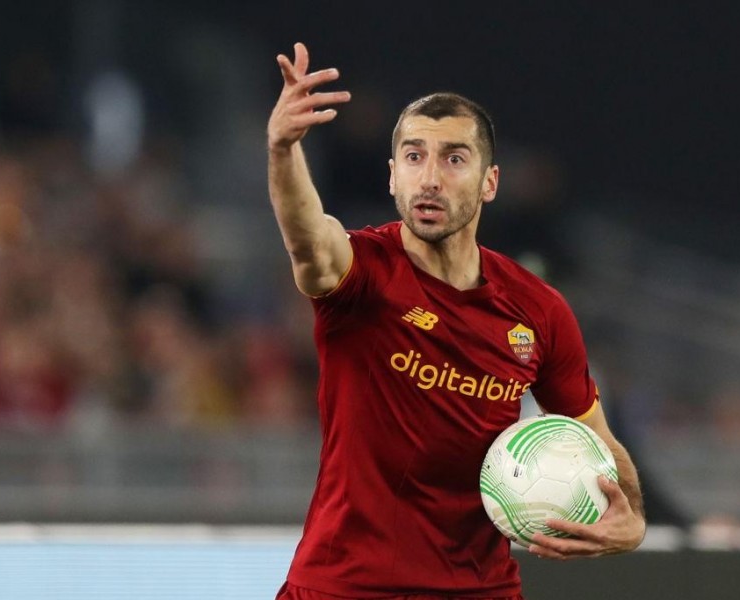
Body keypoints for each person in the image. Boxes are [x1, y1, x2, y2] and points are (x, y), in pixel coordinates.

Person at [267, 42, 646, 600]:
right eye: (414, 157)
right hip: (343, 587)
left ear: (489, 182)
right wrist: (282, 150)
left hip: (478, 590)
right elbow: (309, 240)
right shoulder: (362, 274)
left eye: (453, 158)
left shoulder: (538, 310)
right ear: (392, 177)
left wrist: (633, 517)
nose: (430, 178)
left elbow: (594, 437)